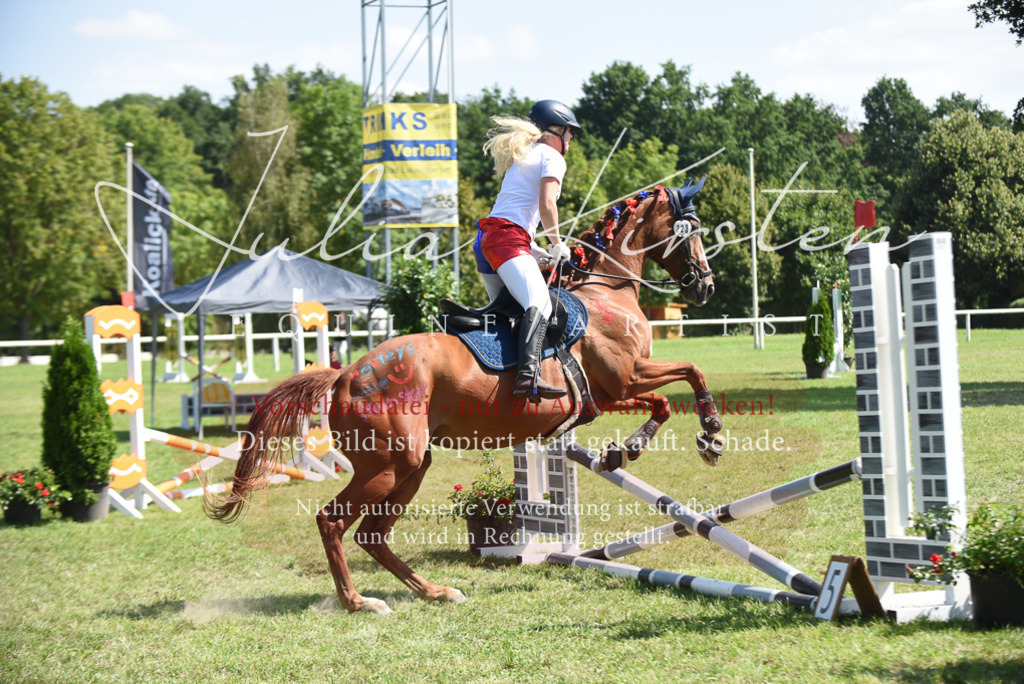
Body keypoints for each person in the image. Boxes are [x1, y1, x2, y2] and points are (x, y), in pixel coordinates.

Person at [473, 100, 581, 400]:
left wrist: (532, 248)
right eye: (569, 132)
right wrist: (558, 243)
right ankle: (527, 378)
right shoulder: (552, 157)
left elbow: (514, 211)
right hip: (506, 239)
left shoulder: (524, 155)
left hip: (488, 239)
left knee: (509, 312)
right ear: (555, 130)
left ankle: (499, 373)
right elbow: (547, 204)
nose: (570, 139)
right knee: (541, 305)